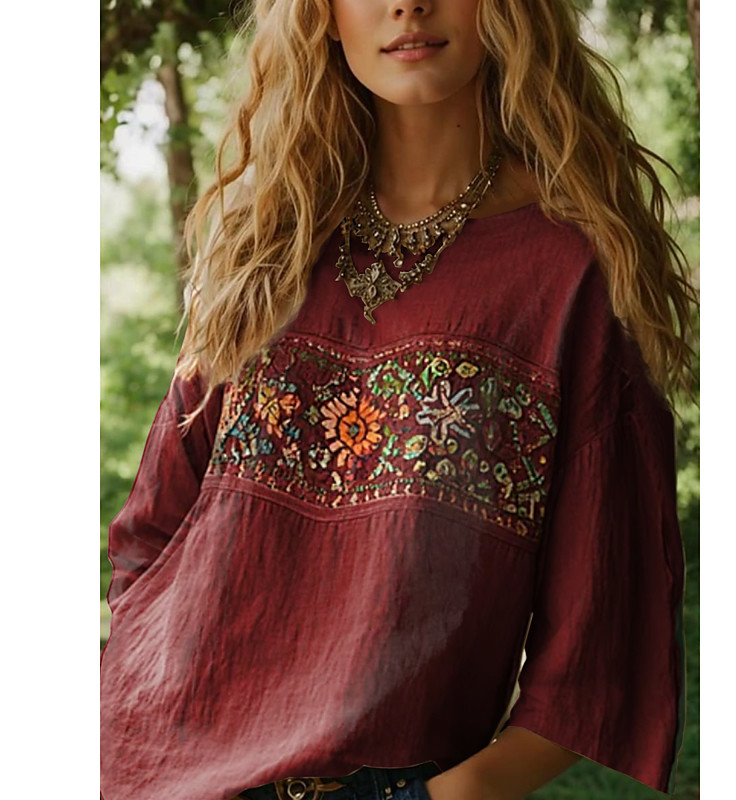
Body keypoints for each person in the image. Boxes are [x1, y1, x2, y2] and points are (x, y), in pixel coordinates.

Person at [99, 1, 698, 800]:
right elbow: (150, 535)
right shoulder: (268, 243)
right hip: (154, 769)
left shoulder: (571, 273)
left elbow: (604, 646)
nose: (406, 4)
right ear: (322, 15)